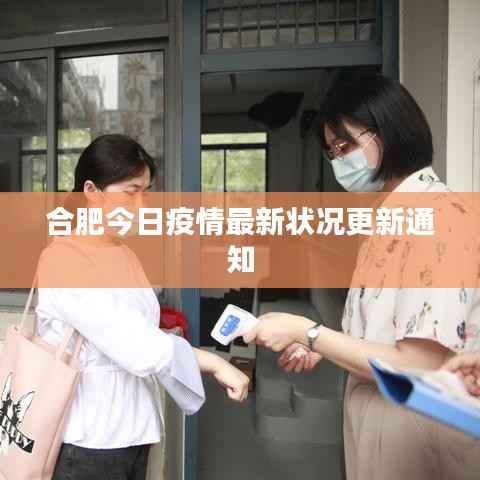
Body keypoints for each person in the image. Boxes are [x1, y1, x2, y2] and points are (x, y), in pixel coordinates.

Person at [244, 74, 480, 480]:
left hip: (418, 432)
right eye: (332, 152)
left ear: (389, 130)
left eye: (346, 145)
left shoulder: (441, 219)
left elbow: (417, 363)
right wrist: (324, 347)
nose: (338, 161)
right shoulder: (389, 219)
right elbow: (382, 334)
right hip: (377, 422)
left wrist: (309, 332)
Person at [36, 134, 249, 480]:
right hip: (90, 440)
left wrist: (165, 337)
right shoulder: (63, 259)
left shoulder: (124, 254)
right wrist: (214, 362)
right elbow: (133, 343)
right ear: (91, 191)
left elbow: (142, 327)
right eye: (131, 191)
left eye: (146, 192)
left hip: (135, 430)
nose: (141, 204)